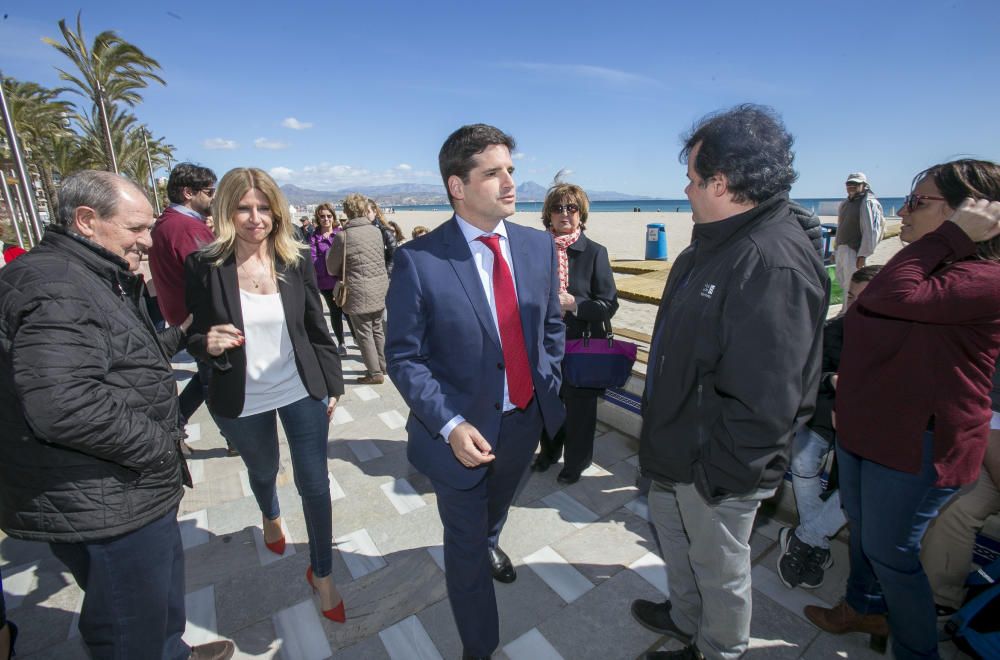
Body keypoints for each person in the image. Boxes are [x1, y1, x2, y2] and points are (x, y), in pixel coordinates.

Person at [0, 170, 234, 660]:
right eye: (135, 229)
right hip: (106, 496)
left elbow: (115, 355)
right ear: (87, 220)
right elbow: (62, 403)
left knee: (156, 605)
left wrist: (182, 337)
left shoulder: (81, 274)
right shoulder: (58, 285)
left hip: (112, 489)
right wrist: (158, 445)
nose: (148, 242)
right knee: (130, 627)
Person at [631, 105, 829, 660]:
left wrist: (719, 479)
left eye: (693, 178)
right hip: (677, 449)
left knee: (719, 570)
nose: (685, 187)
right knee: (677, 544)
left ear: (720, 183)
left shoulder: (770, 263)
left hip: (714, 469)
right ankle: (684, 617)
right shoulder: (712, 242)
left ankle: (715, 648)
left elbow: (768, 399)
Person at [805, 160, 1000, 659]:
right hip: (867, 428)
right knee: (868, 535)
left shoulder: (985, 278)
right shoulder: (933, 266)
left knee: (892, 556)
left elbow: (889, 296)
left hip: (919, 443)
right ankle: (861, 607)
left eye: (919, 202)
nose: (904, 210)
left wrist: (951, 236)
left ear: (970, 212)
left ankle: (915, 650)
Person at [385, 123, 565, 659]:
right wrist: (450, 423)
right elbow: (404, 357)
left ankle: (490, 541)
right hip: (457, 436)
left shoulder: (536, 246)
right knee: (462, 547)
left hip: (522, 423)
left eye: (511, 170)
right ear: (457, 186)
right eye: (493, 173)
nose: (510, 183)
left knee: (496, 509)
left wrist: (544, 381)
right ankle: (479, 649)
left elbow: (550, 324)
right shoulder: (420, 260)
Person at [184, 167, 346, 624]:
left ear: (277, 213)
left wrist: (334, 386)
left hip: (300, 389)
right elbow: (193, 333)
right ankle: (270, 512)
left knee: (315, 484)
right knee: (264, 469)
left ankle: (323, 573)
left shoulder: (293, 260)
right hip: (241, 396)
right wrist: (206, 342)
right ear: (226, 212)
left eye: (264, 209)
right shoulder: (203, 265)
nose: (255, 218)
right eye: (243, 208)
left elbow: (316, 327)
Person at [777, 265, 882, 591]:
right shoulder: (834, 331)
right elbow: (806, 378)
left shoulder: (902, 341)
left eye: (866, 299)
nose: (855, 305)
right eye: (851, 297)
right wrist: (832, 381)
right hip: (826, 415)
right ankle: (817, 543)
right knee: (803, 461)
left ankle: (806, 537)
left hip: (869, 428)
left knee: (858, 483)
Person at [530, 183, 618, 484]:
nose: (564, 213)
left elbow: (608, 304)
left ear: (581, 214)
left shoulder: (595, 253)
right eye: (557, 208)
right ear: (548, 215)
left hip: (582, 345)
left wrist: (575, 304)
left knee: (581, 412)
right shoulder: (537, 250)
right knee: (547, 404)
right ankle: (549, 453)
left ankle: (577, 462)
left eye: (571, 208)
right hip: (543, 345)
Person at [148, 163, 237, 457]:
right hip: (201, 320)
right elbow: (214, 275)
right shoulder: (186, 228)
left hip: (182, 314)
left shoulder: (167, 223)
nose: (214, 198)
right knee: (215, 381)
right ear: (189, 193)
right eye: (210, 192)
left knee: (204, 377)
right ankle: (235, 438)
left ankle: (177, 421)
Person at [921, 368, 1000, 621]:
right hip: (980, 430)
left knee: (957, 506)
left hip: (984, 434)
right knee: (942, 493)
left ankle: (937, 599)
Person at [327, 194, 389, 385]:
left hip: (358, 291)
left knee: (364, 333)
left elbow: (331, 267)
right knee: (378, 328)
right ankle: (384, 365)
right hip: (380, 288)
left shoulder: (343, 236)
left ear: (346, 211)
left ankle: (374, 373)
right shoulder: (375, 231)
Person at [310, 202, 351, 355]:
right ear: (318, 218)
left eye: (329, 216)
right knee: (334, 312)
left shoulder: (341, 233)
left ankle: (356, 337)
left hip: (342, 279)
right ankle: (341, 342)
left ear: (333, 217)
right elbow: (313, 258)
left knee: (348, 311)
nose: (326, 219)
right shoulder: (314, 236)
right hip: (325, 282)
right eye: (322, 216)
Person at [834, 172, 884, 293]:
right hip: (841, 248)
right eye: (849, 183)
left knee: (853, 282)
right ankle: (845, 309)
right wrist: (835, 249)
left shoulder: (868, 203)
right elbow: (841, 227)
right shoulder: (845, 203)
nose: (851, 186)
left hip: (854, 250)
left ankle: (849, 309)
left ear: (864, 185)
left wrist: (863, 254)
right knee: (842, 281)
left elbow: (871, 231)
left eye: (855, 184)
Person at [368, 198, 398, 272]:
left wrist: (386, 272)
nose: (365, 215)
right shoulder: (361, 230)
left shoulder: (384, 231)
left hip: (383, 274)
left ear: (374, 212)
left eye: (368, 212)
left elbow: (394, 255)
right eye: (362, 213)